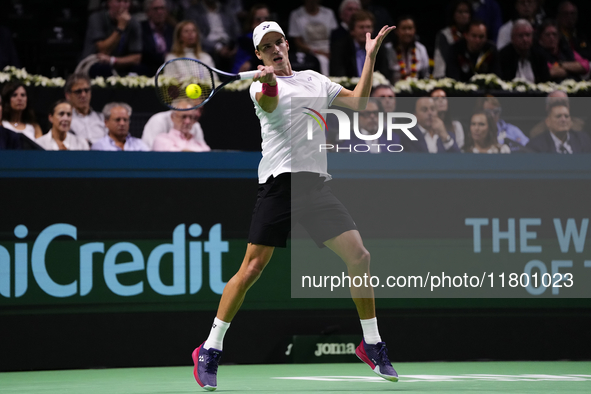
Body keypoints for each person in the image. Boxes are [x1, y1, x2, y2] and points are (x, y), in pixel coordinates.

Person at [191, 20, 398, 391]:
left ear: (287, 44)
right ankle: (210, 348)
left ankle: (372, 343)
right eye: (266, 46)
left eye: (278, 42)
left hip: (316, 187)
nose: (274, 49)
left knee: (360, 256)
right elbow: (270, 102)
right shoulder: (258, 86)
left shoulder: (314, 80)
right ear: (258, 54)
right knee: (252, 268)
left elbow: (359, 101)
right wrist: (269, 80)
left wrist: (370, 58)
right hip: (279, 186)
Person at [81, 0, 143, 77]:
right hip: (94, 63)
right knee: (104, 69)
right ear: (108, 2)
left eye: (126, 2)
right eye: (118, 1)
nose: (122, 5)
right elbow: (103, 51)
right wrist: (120, 27)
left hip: (118, 64)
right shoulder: (96, 18)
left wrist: (112, 60)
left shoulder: (134, 23)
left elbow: (136, 58)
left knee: (141, 69)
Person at [330, 10, 390, 79]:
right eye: (361, 27)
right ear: (352, 31)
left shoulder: (379, 48)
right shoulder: (340, 48)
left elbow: (384, 75)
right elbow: (338, 75)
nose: (365, 31)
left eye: (368, 27)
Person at [186, 0, 240, 71]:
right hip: (208, 46)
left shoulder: (226, 9)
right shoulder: (194, 10)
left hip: (228, 43)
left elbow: (236, 30)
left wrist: (235, 46)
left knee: (240, 55)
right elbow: (197, 34)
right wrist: (218, 47)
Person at [288, 0, 338, 76]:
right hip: (309, 51)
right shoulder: (296, 15)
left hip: (330, 49)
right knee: (323, 60)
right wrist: (316, 52)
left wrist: (333, 51)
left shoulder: (329, 13)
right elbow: (297, 42)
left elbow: (336, 37)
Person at [526, 101, 591, 153]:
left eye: (566, 116)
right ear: (548, 122)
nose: (563, 120)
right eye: (558, 116)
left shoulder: (583, 140)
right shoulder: (535, 146)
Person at [64, 73, 108, 145]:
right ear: (68, 95)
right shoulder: (66, 120)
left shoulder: (102, 118)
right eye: (78, 91)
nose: (83, 95)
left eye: (86, 90)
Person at [433, 0, 472, 78]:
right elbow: (445, 59)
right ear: (453, 14)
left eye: (466, 12)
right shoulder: (444, 35)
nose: (463, 15)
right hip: (448, 76)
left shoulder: (474, 34)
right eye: (460, 12)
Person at [141, 106, 209, 150]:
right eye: (183, 117)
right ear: (173, 117)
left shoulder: (199, 143)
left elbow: (208, 155)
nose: (188, 121)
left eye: (191, 117)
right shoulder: (161, 139)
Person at [387, 15, 430, 82]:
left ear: (414, 30)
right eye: (403, 28)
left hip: (417, 89)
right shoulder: (388, 49)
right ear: (397, 31)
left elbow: (425, 74)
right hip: (392, 89)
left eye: (410, 28)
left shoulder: (421, 49)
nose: (407, 32)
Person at [140, 0, 175, 76]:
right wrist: (164, 57)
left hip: (170, 69)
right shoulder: (141, 29)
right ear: (148, 12)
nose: (160, 12)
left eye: (162, 8)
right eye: (156, 9)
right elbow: (144, 53)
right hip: (149, 70)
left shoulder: (171, 29)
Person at [232, 4, 270, 73]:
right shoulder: (245, 39)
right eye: (258, 19)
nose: (263, 22)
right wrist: (251, 62)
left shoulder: (274, 38)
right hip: (242, 77)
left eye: (266, 18)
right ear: (252, 21)